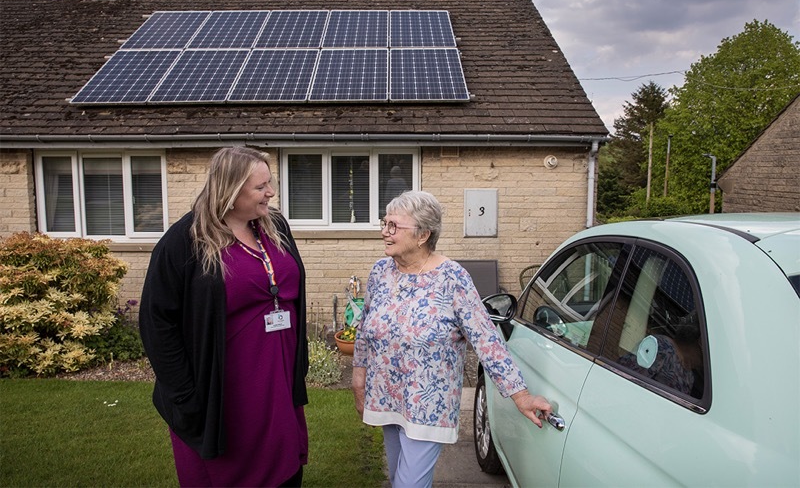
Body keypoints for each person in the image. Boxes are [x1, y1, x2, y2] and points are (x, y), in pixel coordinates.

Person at [352, 190, 552, 488]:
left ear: (422, 235)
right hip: (387, 395)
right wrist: (359, 377)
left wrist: (520, 395)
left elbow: (486, 340)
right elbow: (365, 328)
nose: (385, 232)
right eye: (385, 223)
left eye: (394, 226)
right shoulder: (381, 272)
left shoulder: (452, 279)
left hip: (429, 404)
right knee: (398, 479)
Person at [139, 146, 309, 487]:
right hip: (223, 389)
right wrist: (185, 396)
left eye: (269, 182)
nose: (271, 192)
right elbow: (157, 323)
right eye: (260, 187)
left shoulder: (273, 225)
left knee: (284, 468)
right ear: (230, 190)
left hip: (276, 378)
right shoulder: (185, 241)